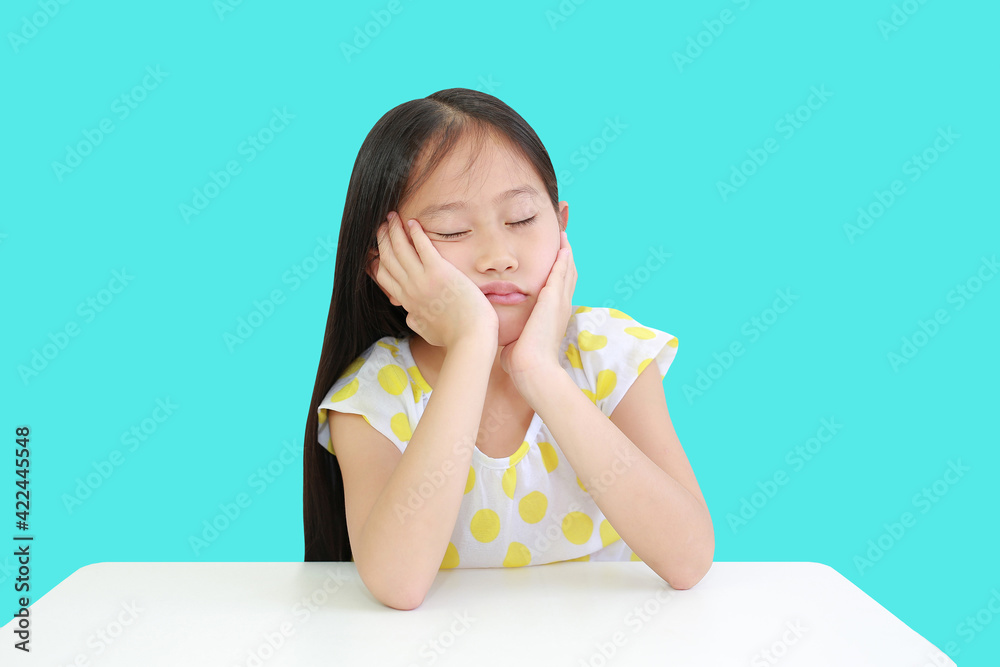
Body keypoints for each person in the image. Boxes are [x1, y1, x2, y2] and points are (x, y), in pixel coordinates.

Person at [302, 88, 713, 610]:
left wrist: (539, 370)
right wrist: (472, 343)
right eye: (452, 229)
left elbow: (689, 558)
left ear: (561, 224)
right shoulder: (374, 396)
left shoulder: (610, 354)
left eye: (520, 220)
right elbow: (397, 584)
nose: (498, 256)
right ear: (384, 259)